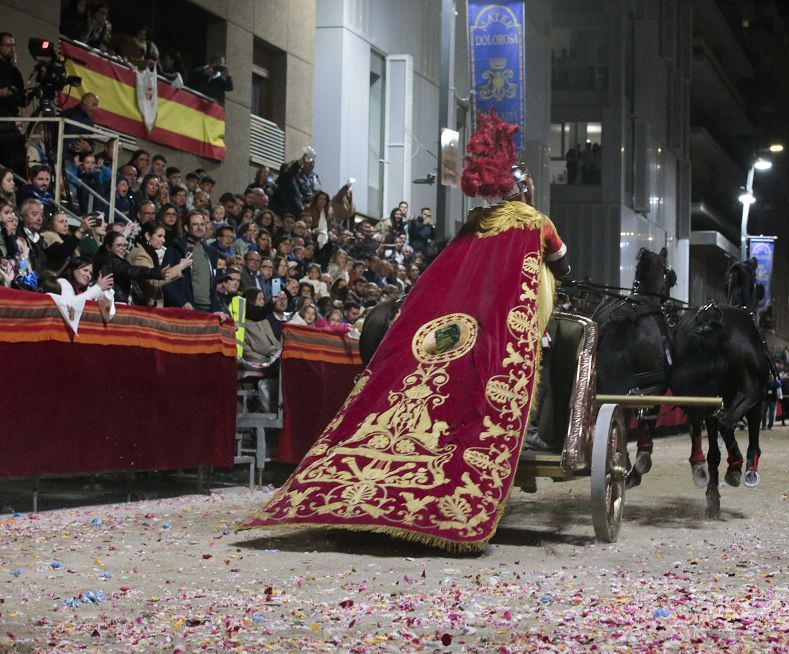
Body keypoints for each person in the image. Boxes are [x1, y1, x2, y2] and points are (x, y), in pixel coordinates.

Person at [238, 113, 570, 550]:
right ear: (521, 187)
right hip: (502, 321)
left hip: (450, 327)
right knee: (539, 344)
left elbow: (446, 277)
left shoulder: (473, 224)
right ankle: (526, 430)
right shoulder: (537, 223)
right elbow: (563, 266)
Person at [93, 231, 168, 304]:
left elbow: (133, 286)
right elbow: (131, 270)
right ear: (108, 247)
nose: (123, 248)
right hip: (115, 304)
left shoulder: (118, 261)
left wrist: (145, 301)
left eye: (124, 245)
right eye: (118, 245)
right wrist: (156, 272)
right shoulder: (109, 261)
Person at [128, 222, 191, 307]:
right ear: (148, 236)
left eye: (163, 237)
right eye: (159, 236)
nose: (163, 240)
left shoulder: (148, 251)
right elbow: (154, 282)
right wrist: (180, 267)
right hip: (143, 308)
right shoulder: (141, 254)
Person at [0, 32, 26, 174]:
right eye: (7, 45)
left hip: (12, 123)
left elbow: (22, 101)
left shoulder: (15, 72)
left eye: (13, 45)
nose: (11, 48)